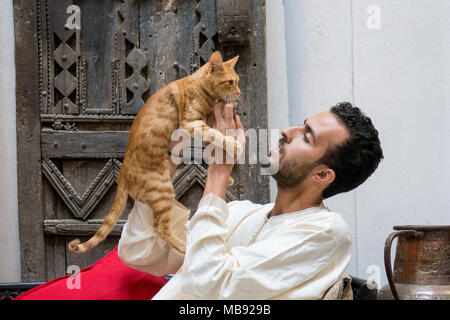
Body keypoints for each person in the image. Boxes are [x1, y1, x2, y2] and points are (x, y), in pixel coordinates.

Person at [118, 101, 383, 299]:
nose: (287, 131)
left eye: (306, 136)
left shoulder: (325, 234)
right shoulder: (239, 213)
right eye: (300, 125)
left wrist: (219, 172)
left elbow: (209, 282)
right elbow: (141, 252)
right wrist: (168, 156)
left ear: (323, 174)